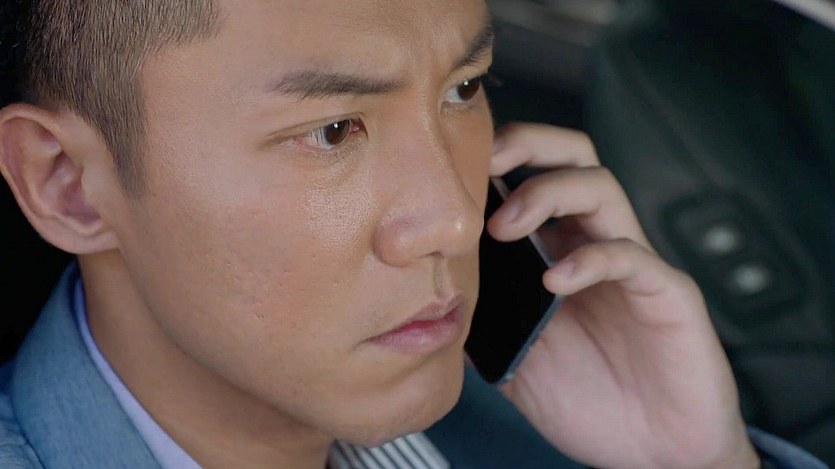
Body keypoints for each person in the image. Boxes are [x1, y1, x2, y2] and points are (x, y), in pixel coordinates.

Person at [0, 1, 827, 468]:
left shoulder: (540, 417)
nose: (458, 217)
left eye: (464, 88)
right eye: (332, 130)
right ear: (67, 184)